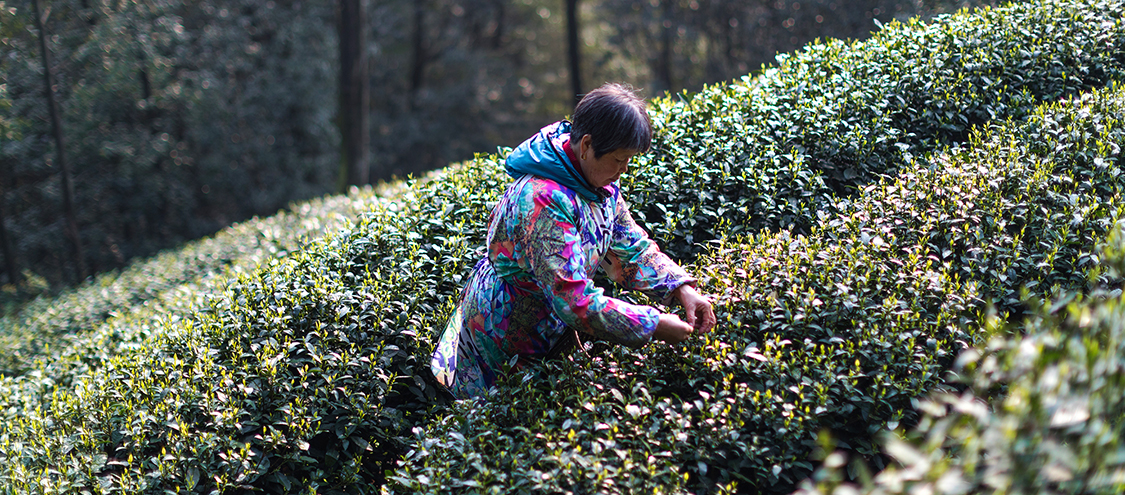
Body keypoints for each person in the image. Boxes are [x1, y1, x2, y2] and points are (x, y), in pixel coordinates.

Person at [430, 83, 716, 399]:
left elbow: (630, 244)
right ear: (587, 144)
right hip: (500, 341)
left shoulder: (595, 182)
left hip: (548, 335)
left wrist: (681, 288)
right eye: (619, 159)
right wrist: (651, 325)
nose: (623, 171)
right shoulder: (543, 200)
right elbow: (573, 299)